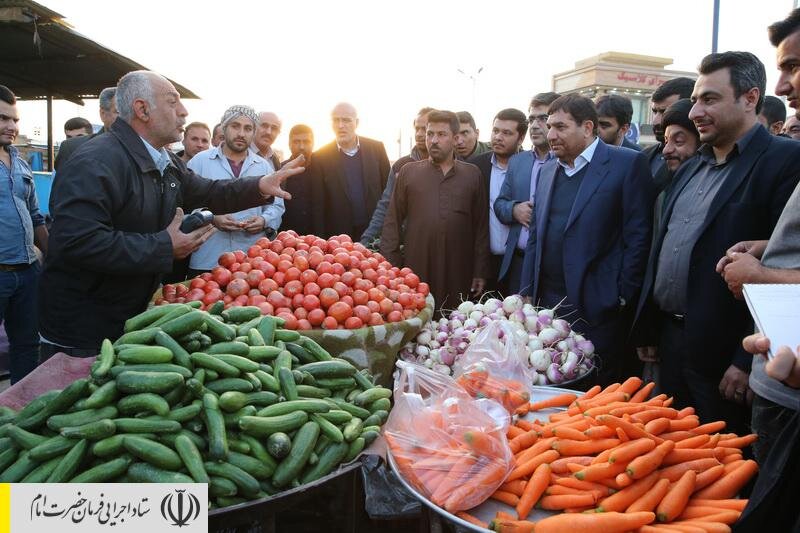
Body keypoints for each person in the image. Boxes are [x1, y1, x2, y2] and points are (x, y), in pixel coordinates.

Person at [38, 70, 304, 356]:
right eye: (173, 102)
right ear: (142, 109)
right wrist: (163, 246)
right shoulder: (95, 161)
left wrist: (260, 186)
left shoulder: (161, 159)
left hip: (127, 316)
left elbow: (206, 191)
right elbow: (77, 242)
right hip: (84, 328)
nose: (184, 111)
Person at [632, 51, 800, 435]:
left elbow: (783, 266)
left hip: (728, 355)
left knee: (725, 468)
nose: (694, 112)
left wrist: (745, 360)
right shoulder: (691, 166)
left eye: (709, 99)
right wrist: (650, 329)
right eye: (695, 100)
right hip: (671, 346)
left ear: (750, 98)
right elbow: (665, 248)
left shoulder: (786, 162)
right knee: (669, 456)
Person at [712, 11, 800, 467]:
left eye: (794, 67)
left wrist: (763, 275)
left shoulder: (783, 159)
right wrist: (770, 248)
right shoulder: (697, 167)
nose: (782, 87)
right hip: (779, 385)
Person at [520, 94, 654, 385]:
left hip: (598, 304)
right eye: (548, 126)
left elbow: (638, 236)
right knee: (553, 382)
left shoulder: (627, 164)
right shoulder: (546, 171)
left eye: (560, 127)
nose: (550, 134)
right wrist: (527, 290)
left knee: (596, 386)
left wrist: (621, 295)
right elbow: (535, 236)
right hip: (547, 305)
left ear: (588, 127)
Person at [381, 110, 489, 312]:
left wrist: (480, 271)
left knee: (456, 325)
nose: (433, 140)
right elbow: (392, 222)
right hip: (416, 269)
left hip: (459, 269)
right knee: (418, 324)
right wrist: (391, 269)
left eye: (441, 134)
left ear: (455, 138)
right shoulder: (409, 172)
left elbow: (481, 227)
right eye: (430, 134)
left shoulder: (472, 175)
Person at [637, 98, 700, 387]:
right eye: (665, 140)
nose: (667, 150)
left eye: (679, 140)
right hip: (667, 327)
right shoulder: (666, 190)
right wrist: (648, 328)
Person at [187, 106, 284, 275]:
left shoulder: (263, 167)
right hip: (208, 258)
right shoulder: (200, 162)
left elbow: (277, 206)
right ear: (224, 128)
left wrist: (263, 220)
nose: (241, 133)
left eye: (248, 128)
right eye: (235, 126)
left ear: (253, 132)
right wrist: (212, 218)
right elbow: (183, 205)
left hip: (251, 262)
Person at [0, 84, 48, 383]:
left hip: (28, 271)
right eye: (3, 118)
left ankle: (20, 411)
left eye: (15, 120)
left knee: (27, 345)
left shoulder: (19, 163)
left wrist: (53, 255)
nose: (11, 126)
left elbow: (35, 215)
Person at [494, 92, 560, 295]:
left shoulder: (565, 163)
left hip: (552, 268)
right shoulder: (518, 161)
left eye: (543, 118)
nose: (535, 125)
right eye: (531, 119)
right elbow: (499, 203)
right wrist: (514, 209)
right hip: (517, 264)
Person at [468, 108, 527, 295]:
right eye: (495, 131)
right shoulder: (476, 167)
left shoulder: (532, 167)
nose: (498, 137)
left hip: (519, 264)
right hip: (486, 264)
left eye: (507, 133)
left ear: (521, 138)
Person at [310, 102, 390, 239]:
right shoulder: (319, 157)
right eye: (336, 120)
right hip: (338, 238)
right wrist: (321, 241)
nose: (341, 125)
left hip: (375, 233)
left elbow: (388, 193)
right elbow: (318, 206)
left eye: (346, 120)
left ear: (356, 122)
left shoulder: (376, 149)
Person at [359, 107, 434, 245]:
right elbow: (386, 205)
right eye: (417, 129)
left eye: (425, 129)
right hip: (407, 244)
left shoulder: (452, 165)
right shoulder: (400, 165)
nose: (419, 134)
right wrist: (366, 240)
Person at [642, 77, 696, 189]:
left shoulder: (705, 163)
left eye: (664, 112)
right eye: (655, 112)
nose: (656, 121)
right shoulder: (643, 157)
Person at [55, 87, 118, 173]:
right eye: (119, 112)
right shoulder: (71, 148)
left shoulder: (140, 147)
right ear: (103, 113)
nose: (127, 117)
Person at [281, 124, 315, 236]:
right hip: (287, 239)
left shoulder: (323, 169)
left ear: (313, 144)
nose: (301, 146)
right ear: (289, 144)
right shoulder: (279, 170)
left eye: (306, 142)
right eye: (296, 142)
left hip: (320, 239)